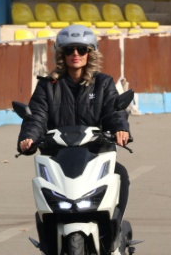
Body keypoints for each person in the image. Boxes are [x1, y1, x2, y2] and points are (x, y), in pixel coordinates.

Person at [17, 25, 130, 218]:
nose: (75, 54)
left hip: (96, 153)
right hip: (57, 155)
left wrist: (120, 128)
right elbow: (36, 117)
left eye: (82, 49)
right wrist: (29, 138)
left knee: (120, 175)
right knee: (44, 191)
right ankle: (48, 231)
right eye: (69, 50)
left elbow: (113, 111)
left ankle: (115, 224)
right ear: (62, 54)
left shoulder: (103, 83)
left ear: (90, 53)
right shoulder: (47, 85)